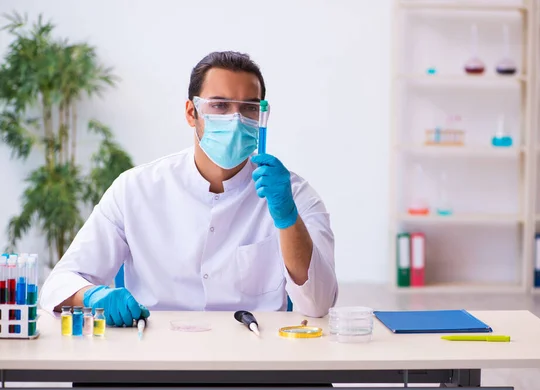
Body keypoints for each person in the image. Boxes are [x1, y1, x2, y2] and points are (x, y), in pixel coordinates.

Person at [40, 51, 338, 326]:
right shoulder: (135, 190)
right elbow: (59, 283)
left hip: (254, 359)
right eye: (219, 105)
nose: (235, 119)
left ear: (261, 117)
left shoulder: (294, 195)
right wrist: (94, 297)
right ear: (191, 113)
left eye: (248, 108)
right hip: (154, 357)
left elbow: (319, 304)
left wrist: (287, 218)